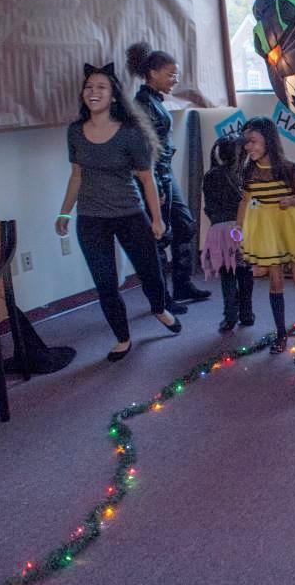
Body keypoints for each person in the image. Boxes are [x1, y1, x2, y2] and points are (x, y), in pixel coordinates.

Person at [55, 63, 182, 362]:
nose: (93, 92)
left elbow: (147, 178)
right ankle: (122, 337)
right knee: (105, 284)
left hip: (129, 213)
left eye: (101, 87)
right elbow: (76, 175)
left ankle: (159, 308)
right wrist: (64, 213)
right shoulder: (75, 132)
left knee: (151, 271)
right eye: (89, 87)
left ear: (113, 96)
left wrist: (157, 218)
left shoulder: (130, 133)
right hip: (91, 218)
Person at [125, 41, 210, 314]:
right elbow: (147, 152)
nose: (175, 80)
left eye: (176, 74)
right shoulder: (142, 105)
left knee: (185, 225)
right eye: (171, 74)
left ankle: (182, 285)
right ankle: (161, 299)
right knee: (160, 236)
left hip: (164, 173)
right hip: (154, 176)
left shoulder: (154, 101)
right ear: (153, 73)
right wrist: (158, 187)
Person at [235, 117, 295, 353]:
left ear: (268, 140)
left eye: (253, 141)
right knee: (275, 281)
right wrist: (238, 229)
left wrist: (291, 200)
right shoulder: (249, 171)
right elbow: (244, 202)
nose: (248, 147)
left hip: (291, 225)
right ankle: (281, 334)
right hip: (266, 230)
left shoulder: (288, 168)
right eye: (246, 142)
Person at [201, 136, 255, 332]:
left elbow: (208, 208)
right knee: (245, 272)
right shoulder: (242, 176)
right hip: (240, 230)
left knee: (228, 274)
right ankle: (246, 314)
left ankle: (229, 316)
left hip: (219, 231)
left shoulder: (210, 175)